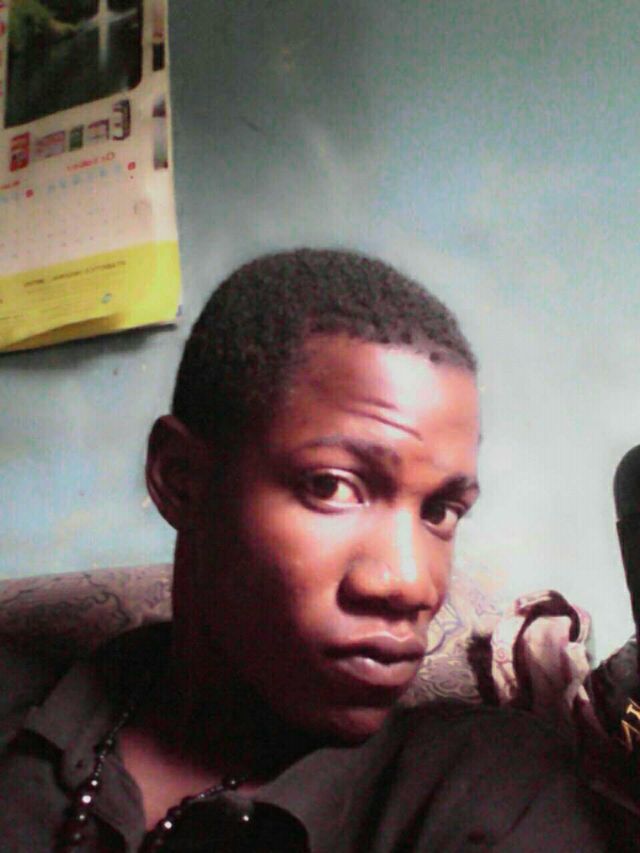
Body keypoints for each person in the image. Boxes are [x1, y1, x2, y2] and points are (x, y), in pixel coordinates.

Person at [0, 249, 636, 851]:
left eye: (439, 511)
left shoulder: (492, 790)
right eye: (332, 486)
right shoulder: (22, 715)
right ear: (181, 480)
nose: (412, 585)